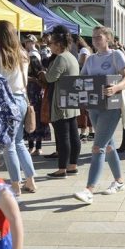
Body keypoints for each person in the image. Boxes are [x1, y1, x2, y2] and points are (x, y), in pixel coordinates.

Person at [73, 26, 125, 204]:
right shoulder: (90, 59)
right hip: (94, 107)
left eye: (99, 37)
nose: (95, 40)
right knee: (108, 145)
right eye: (94, 37)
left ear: (108, 39)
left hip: (111, 107)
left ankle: (89, 189)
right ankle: (119, 181)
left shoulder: (116, 55)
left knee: (98, 146)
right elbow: (82, 80)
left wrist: (116, 87)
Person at [0, 20, 36, 196]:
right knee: (19, 143)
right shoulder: (23, 54)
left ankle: (15, 185)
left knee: (9, 146)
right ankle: (30, 180)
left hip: (7, 103)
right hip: (22, 100)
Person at [43, 25, 81, 178]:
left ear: (58, 44)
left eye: (51, 43)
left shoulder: (60, 58)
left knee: (63, 136)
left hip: (61, 101)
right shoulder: (72, 56)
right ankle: (72, 166)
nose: (49, 46)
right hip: (72, 98)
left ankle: (62, 169)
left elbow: (50, 78)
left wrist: (45, 72)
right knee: (73, 135)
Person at [25, 56, 45, 156]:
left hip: (38, 103)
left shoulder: (40, 75)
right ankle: (31, 146)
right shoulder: (25, 75)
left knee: (38, 125)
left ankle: (38, 147)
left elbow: (44, 85)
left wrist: (35, 80)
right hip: (29, 102)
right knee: (29, 124)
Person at [75, 36, 93, 140]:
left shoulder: (83, 50)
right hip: (86, 80)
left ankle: (84, 131)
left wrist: (76, 63)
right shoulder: (87, 49)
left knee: (83, 107)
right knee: (87, 107)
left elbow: (83, 61)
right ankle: (90, 131)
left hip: (83, 80)